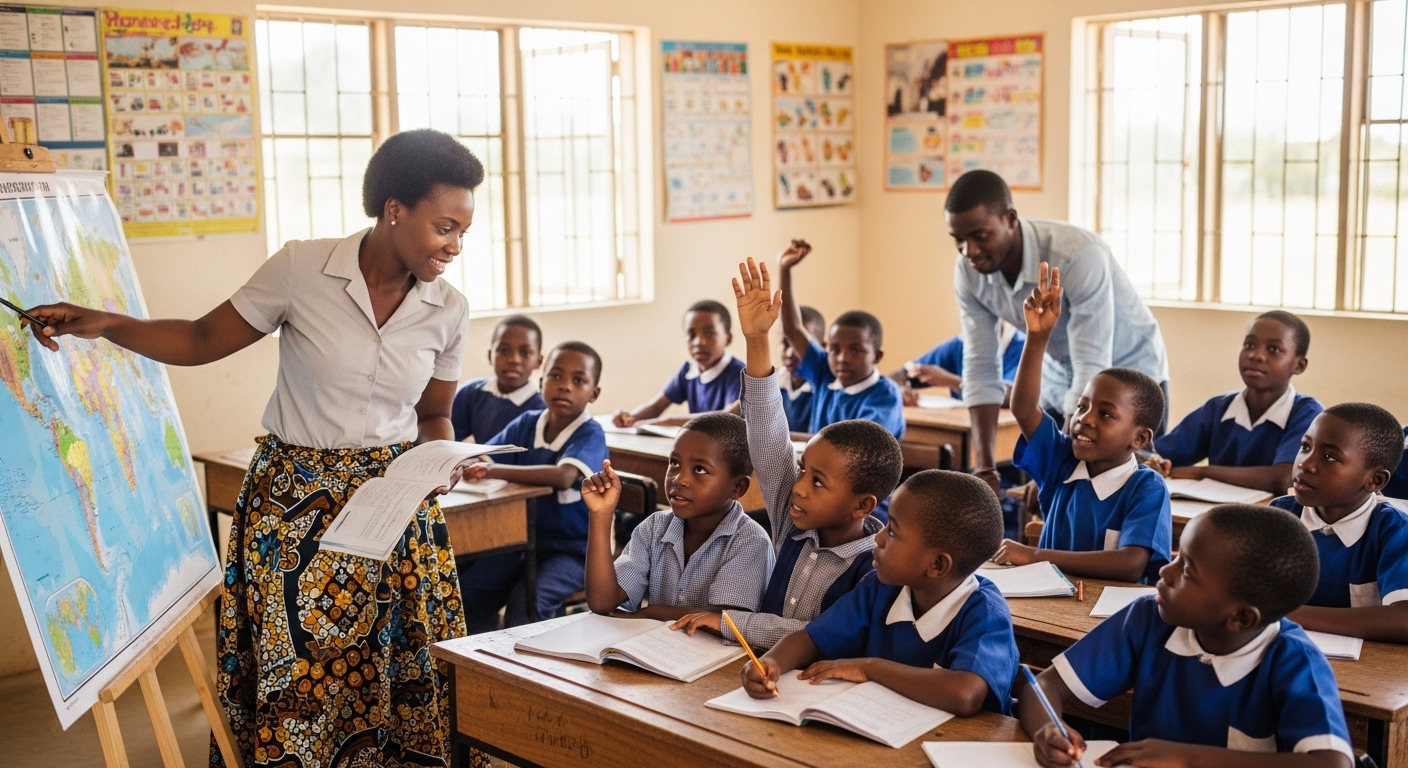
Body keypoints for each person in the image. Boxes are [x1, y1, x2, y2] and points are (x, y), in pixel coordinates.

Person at [24, 128, 481, 767]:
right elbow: (203, 337)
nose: (455, 246)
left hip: (395, 515)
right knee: (299, 681)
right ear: (394, 210)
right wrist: (106, 325)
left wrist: (439, 463)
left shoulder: (449, 308)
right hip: (293, 512)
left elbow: (435, 413)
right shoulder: (302, 267)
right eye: (445, 227)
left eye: (463, 232)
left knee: (393, 674)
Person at [669, 258, 901, 650]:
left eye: (817, 481)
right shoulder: (795, 522)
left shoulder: (875, 568)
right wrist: (757, 339)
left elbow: (827, 635)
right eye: (802, 471)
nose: (799, 487)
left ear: (862, 505)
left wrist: (731, 623)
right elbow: (767, 430)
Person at [1019, 505, 1353, 768]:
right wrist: (1048, 730)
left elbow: (1331, 763)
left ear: (1240, 617)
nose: (1165, 571)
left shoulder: (1294, 661)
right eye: (1177, 556)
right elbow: (1046, 687)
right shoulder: (1149, 618)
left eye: (1187, 570)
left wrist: (1186, 759)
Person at [946, 170, 1168, 496]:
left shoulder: (1077, 256)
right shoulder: (969, 272)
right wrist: (986, 467)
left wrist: (1060, 465)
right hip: (1058, 378)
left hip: (1129, 380)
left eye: (980, 236)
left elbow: (1092, 365)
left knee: (1120, 498)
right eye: (959, 241)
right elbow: (980, 367)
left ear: (1010, 219)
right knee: (1045, 501)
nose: (970, 252)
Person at [741, 470, 1019, 716]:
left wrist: (869, 668)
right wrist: (771, 662)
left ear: (936, 565)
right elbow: (812, 638)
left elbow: (965, 694)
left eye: (893, 533)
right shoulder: (880, 587)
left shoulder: (984, 613)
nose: (879, 537)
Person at [992, 264, 1171, 583]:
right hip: (1047, 605)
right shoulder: (1061, 460)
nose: (1083, 419)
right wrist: (1037, 336)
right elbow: (1023, 408)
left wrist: (1035, 555)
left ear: (1140, 439)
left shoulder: (1146, 487)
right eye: (1081, 406)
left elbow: (1130, 563)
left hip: (1109, 618)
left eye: (1105, 414)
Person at [457, 342, 609, 630]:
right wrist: (470, 463)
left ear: (594, 393)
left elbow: (564, 476)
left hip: (574, 552)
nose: (565, 386)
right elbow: (483, 453)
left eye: (578, 380)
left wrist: (491, 470)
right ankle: (481, 665)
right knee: (468, 592)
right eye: (555, 376)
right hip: (521, 542)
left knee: (527, 602)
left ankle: (526, 671)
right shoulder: (528, 423)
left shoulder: (590, 433)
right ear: (541, 382)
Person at [581, 413, 774, 620]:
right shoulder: (654, 528)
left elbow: (727, 622)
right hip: (655, 648)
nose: (679, 479)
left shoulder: (750, 542)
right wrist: (601, 515)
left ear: (738, 487)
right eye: (674, 463)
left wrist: (652, 613)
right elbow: (602, 602)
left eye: (699, 469)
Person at [1270, 403, 1408, 643]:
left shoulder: (1394, 530)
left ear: (1374, 480)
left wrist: (1284, 615)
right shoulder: (1280, 515)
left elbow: (1404, 620)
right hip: (1286, 652)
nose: (1306, 463)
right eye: (1305, 447)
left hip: (1364, 673)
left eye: (1329, 457)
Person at [1148, 310, 1321, 496]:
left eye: (1274, 349)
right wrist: (1157, 464)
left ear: (1298, 365)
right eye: (1249, 344)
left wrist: (1201, 472)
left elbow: (1284, 478)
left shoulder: (1307, 413)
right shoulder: (1217, 409)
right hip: (1215, 515)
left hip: (1274, 520)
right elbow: (1157, 453)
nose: (1256, 355)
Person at [777, 239, 905, 439]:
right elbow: (793, 329)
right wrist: (784, 269)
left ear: (877, 356)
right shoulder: (825, 373)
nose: (842, 358)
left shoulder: (884, 396)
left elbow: (857, 450)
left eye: (855, 350)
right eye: (835, 350)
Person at [613, 300, 745, 427]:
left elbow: (728, 419)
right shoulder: (688, 371)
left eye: (709, 333)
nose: (698, 342)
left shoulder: (740, 374)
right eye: (691, 334)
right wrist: (629, 417)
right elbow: (655, 407)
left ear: (728, 339)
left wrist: (670, 422)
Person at [450, 314, 545, 443]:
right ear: (490, 355)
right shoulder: (471, 393)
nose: (514, 360)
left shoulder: (542, 410)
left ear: (538, 361)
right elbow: (450, 437)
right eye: (504, 350)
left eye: (525, 353)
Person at [889, 323, 1025, 406]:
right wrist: (900, 389)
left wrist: (952, 381)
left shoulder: (1022, 347)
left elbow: (1014, 397)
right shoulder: (960, 343)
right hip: (964, 426)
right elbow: (901, 374)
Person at [781, 305, 827, 433]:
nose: (789, 353)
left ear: (821, 348)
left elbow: (825, 439)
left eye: (799, 347)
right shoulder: (772, 382)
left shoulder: (826, 388)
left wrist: (771, 438)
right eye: (784, 344)